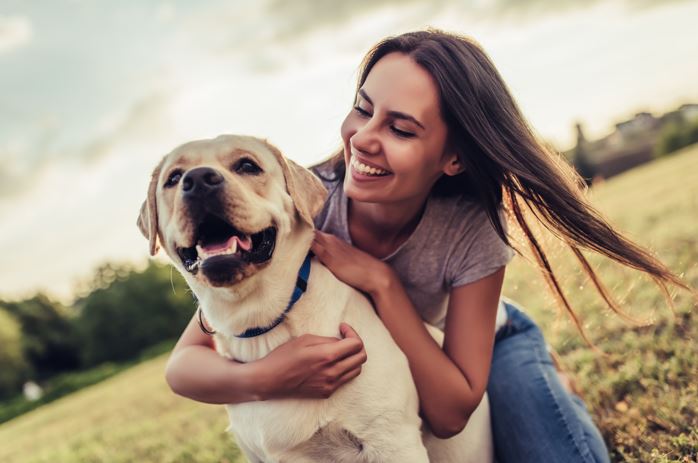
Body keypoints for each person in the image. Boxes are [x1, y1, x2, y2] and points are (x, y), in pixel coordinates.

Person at [165, 30, 687, 462]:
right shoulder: (298, 205)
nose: (364, 139)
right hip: (400, 371)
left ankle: (548, 384)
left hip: (485, 349)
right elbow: (186, 361)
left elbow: (449, 411)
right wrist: (265, 376)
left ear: (452, 158)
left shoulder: (470, 228)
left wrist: (382, 282)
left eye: (401, 128)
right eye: (362, 109)